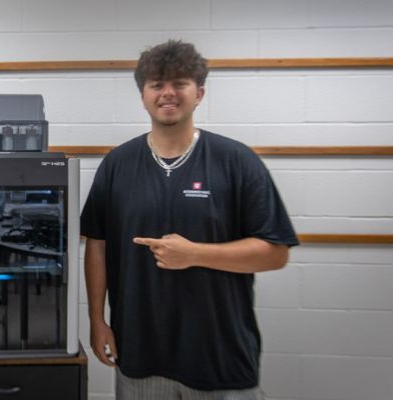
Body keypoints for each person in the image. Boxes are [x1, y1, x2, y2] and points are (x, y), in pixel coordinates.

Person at [81, 40, 298, 400]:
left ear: (199, 93)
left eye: (179, 83)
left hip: (220, 358)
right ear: (143, 95)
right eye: (156, 84)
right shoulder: (117, 164)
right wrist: (97, 321)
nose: (168, 93)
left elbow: (275, 252)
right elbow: (98, 246)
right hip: (140, 355)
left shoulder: (237, 161)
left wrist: (195, 254)